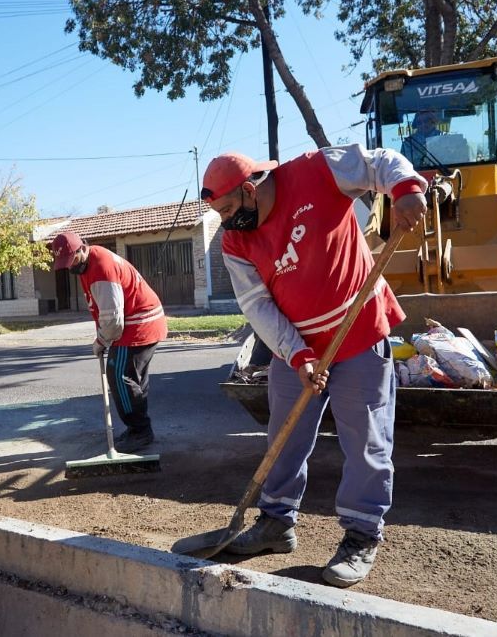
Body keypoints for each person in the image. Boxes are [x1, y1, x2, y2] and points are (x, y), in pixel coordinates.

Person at [202, 145, 445, 588]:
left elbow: (378, 162)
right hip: (294, 347)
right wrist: (298, 355)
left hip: (357, 330)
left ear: (251, 189)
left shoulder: (317, 170)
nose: (225, 220)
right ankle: (276, 524)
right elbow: (256, 305)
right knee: (285, 435)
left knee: (366, 438)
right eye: (219, 212)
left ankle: (361, 534)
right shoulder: (236, 241)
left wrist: (406, 188)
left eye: (229, 208)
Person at [50, 231, 167, 453]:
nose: (69, 267)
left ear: (82, 248)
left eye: (71, 260)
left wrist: (101, 342)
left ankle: (140, 431)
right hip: (144, 322)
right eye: (64, 263)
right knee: (134, 379)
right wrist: (103, 335)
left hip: (137, 325)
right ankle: (139, 429)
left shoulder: (101, 267)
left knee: (119, 375)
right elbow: (104, 311)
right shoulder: (88, 263)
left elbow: (113, 321)